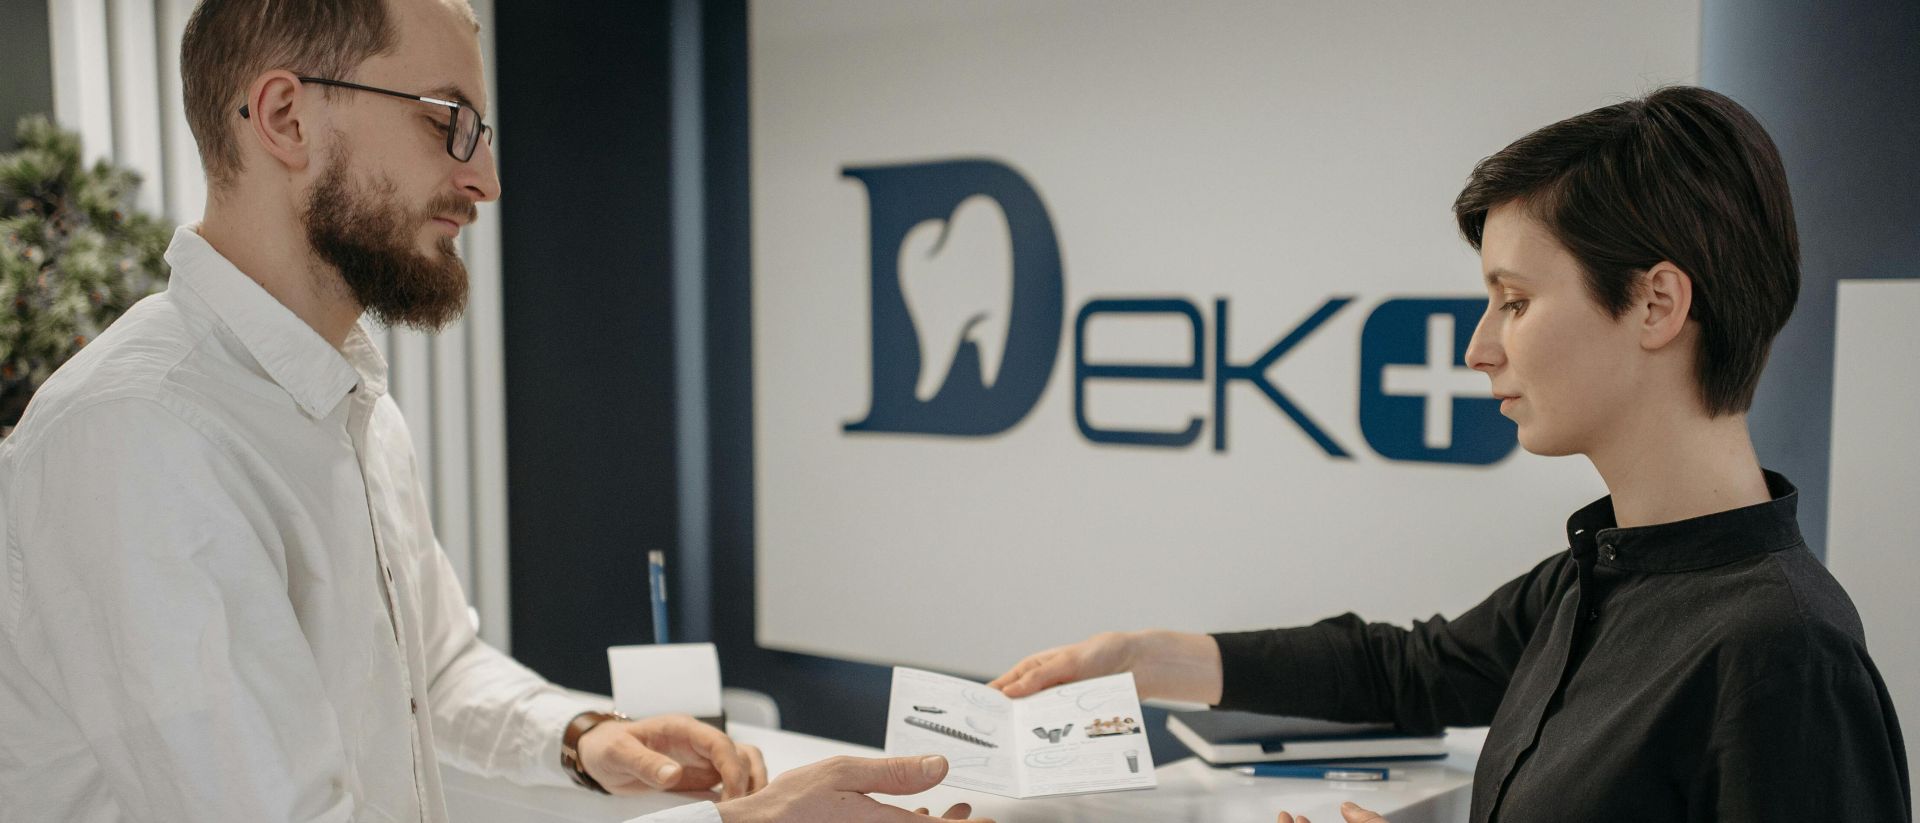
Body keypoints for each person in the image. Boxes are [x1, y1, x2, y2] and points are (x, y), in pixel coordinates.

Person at [0, 1, 983, 822]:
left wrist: (585, 735)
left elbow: (433, 677)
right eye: (447, 121)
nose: (486, 180)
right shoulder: (139, 437)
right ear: (286, 119)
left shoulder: (352, 404)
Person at [990, 87, 1910, 823]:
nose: (1479, 348)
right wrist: (1145, 658)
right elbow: (1408, 669)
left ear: (1656, 305)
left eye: (1513, 300)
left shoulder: (1785, 653)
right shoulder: (1589, 579)